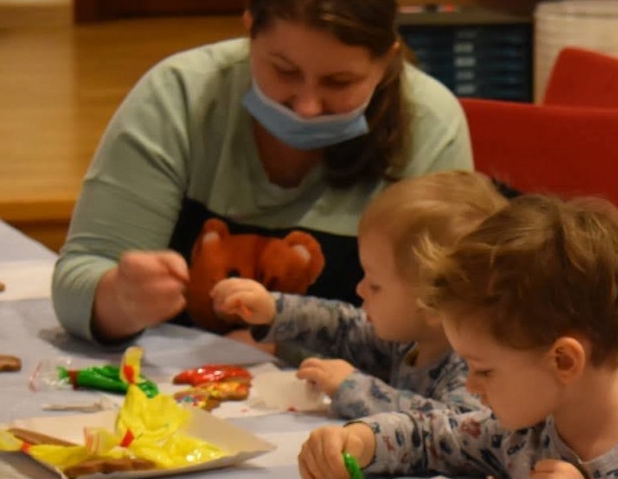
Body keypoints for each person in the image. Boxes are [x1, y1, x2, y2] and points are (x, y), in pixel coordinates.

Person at [51, 0, 473, 345]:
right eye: (283, 71)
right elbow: (77, 281)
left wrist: (284, 347)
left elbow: (443, 324)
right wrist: (119, 300)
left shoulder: (429, 124)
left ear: (387, 62)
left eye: (340, 82)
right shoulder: (181, 95)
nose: (307, 106)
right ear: (249, 30)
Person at [298, 195, 618, 479]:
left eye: (484, 370)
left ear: (564, 362)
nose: (471, 386)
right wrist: (361, 441)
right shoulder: (523, 430)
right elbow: (434, 436)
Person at [209, 170, 505, 418]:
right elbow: (344, 328)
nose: (360, 289)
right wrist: (274, 309)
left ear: (434, 304)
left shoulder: (474, 367)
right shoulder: (411, 341)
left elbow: (458, 430)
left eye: (375, 285)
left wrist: (354, 388)